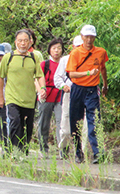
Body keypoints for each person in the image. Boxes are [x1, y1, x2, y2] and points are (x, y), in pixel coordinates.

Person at [0, 29, 46, 154]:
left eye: (25, 41)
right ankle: (14, 150)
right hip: (12, 97)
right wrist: (0, 97)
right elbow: (1, 77)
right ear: (15, 42)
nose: (23, 43)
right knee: (15, 122)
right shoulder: (8, 58)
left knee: (28, 127)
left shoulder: (34, 58)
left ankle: (23, 149)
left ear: (30, 42)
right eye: (20, 41)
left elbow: (39, 76)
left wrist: (42, 89)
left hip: (29, 99)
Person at [66, 25, 108, 164]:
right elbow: (71, 74)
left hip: (92, 90)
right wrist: (88, 73)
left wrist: (105, 84)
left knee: (94, 120)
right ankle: (78, 152)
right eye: (86, 36)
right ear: (82, 36)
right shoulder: (76, 53)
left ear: (95, 37)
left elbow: (102, 68)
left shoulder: (100, 52)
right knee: (75, 121)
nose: (89, 39)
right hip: (78, 88)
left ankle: (97, 153)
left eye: (92, 37)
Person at [54, 35, 89, 159]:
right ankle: (63, 147)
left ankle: (81, 152)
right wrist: (63, 86)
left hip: (85, 94)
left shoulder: (90, 58)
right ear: (73, 47)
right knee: (66, 126)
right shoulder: (65, 60)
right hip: (70, 95)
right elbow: (57, 78)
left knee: (84, 125)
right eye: (78, 46)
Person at [38, 38, 63, 158]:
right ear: (49, 50)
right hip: (46, 96)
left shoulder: (65, 64)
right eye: (54, 48)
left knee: (61, 123)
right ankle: (43, 148)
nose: (57, 51)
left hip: (60, 97)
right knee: (44, 123)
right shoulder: (44, 64)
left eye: (59, 48)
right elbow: (37, 78)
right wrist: (40, 91)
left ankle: (62, 149)